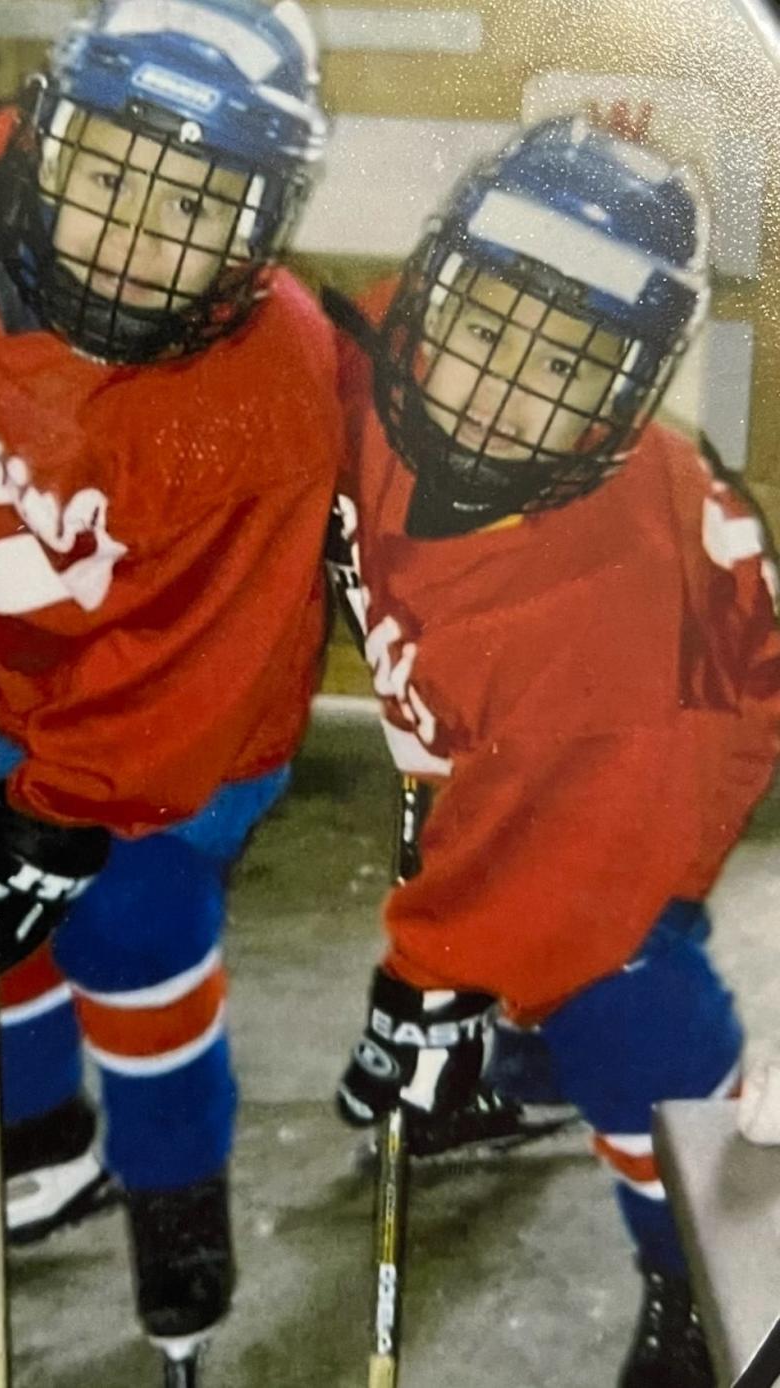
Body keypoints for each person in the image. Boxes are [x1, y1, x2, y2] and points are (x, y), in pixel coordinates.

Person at [0, 0, 341, 1357]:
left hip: (188, 723)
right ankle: (31, 1134)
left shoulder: (269, 383)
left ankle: (175, 1184)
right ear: (41, 133)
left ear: (261, 218)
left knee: (131, 925)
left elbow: (199, 671)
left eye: (194, 202)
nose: (131, 242)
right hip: (0, 665)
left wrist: (63, 813)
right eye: (109, 174)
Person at [327, 115, 780, 1387]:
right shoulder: (380, 351)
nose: (499, 391)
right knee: (508, 904)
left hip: (669, 719)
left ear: (627, 392)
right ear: (436, 286)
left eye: (571, 365)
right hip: (508, 710)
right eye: (481, 330)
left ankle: (696, 1257)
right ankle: (509, 1045)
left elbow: (564, 849)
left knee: (619, 972)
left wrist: (432, 977)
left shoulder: (605, 599)